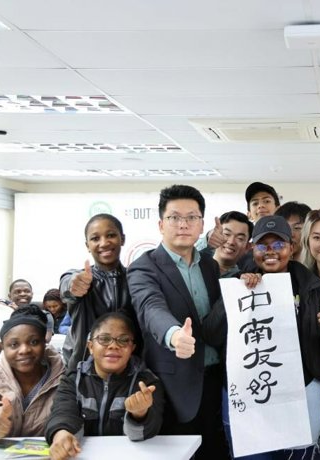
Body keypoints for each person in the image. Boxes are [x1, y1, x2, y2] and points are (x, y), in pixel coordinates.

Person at [204, 215, 320, 459]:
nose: (271, 252)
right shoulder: (237, 283)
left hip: (299, 395)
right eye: (263, 245)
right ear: (252, 249)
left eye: (279, 245)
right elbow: (211, 334)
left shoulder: (313, 288)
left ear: (292, 248)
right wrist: (236, 293)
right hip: (250, 398)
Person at [127, 184, 228, 459]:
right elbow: (151, 307)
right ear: (161, 224)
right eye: (174, 217)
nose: (183, 224)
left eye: (191, 217)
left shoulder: (210, 266)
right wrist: (174, 336)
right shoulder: (143, 267)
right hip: (174, 388)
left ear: (201, 224)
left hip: (216, 382)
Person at [46, 313, 164, 460]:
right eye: (104, 339)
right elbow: (63, 411)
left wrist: (140, 414)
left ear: (132, 348)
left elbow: (143, 434)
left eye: (123, 340)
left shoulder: (147, 383)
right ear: (90, 346)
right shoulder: (72, 380)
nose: (113, 345)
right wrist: (61, 433)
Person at [60, 213, 134, 370]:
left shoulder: (136, 279)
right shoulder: (81, 278)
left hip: (129, 368)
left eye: (111, 235)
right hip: (83, 369)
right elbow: (68, 285)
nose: (104, 243)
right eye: (95, 238)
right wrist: (73, 285)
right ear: (87, 245)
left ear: (123, 238)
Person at [0, 306, 64, 438]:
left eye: (34, 342)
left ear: (45, 343)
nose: (24, 350)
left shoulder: (63, 379)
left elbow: (66, 414)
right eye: (14, 344)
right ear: (2, 347)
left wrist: (62, 433)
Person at [208, 211, 253, 278]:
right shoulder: (194, 265)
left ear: (247, 247)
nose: (231, 242)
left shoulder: (243, 281)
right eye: (226, 234)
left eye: (240, 238)